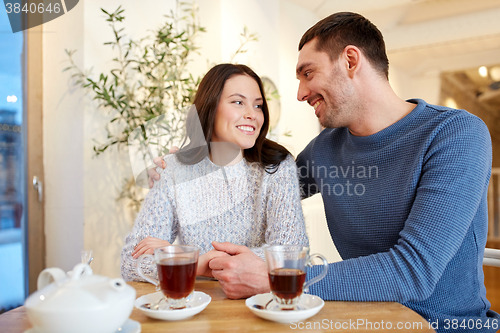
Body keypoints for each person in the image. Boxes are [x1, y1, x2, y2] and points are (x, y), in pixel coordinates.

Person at [149, 12, 499, 332]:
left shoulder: (456, 135)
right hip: (363, 318)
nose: (301, 93)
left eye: (307, 73)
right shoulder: (325, 148)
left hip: (448, 327)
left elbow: (413, 272)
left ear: (350, 60)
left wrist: (277, 278)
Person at [121, 64, 308, 282]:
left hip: (260, 303)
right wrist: (201, 264)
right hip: (196, 306)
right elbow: (131, 263)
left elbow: (292, 255)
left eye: (258, 106)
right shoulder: (172, 170)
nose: (252, 115)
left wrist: (186, 259)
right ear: (210, 107)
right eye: (238, 102)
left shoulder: (276, 167)